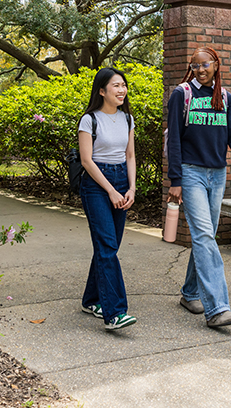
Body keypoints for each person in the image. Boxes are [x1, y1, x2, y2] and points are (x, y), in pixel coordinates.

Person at [167, 46, 231, 328]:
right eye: (195, 66)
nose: (200, 70)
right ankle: (217, 308)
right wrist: (176, 180)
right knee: (204, 235)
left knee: (206, 235)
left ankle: (190, 292)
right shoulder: (182, 94)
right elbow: (175, 141)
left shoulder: (225, 98)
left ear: (216, 64)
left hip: (217, 175)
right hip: (191, 173)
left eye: (205, 64)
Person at [78, 67, 137, 330]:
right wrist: (110, 190)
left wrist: (131, 188)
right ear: (102, 90)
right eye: (116, 85)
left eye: (123, 85)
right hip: (96, 184)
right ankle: (114, 313)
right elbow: (86, 161)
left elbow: (130, 156)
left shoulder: (127, 119)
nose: (122, 90)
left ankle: (92, 299)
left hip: (122, 180)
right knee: (108, 247)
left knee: (107, 247)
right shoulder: (89, 120)